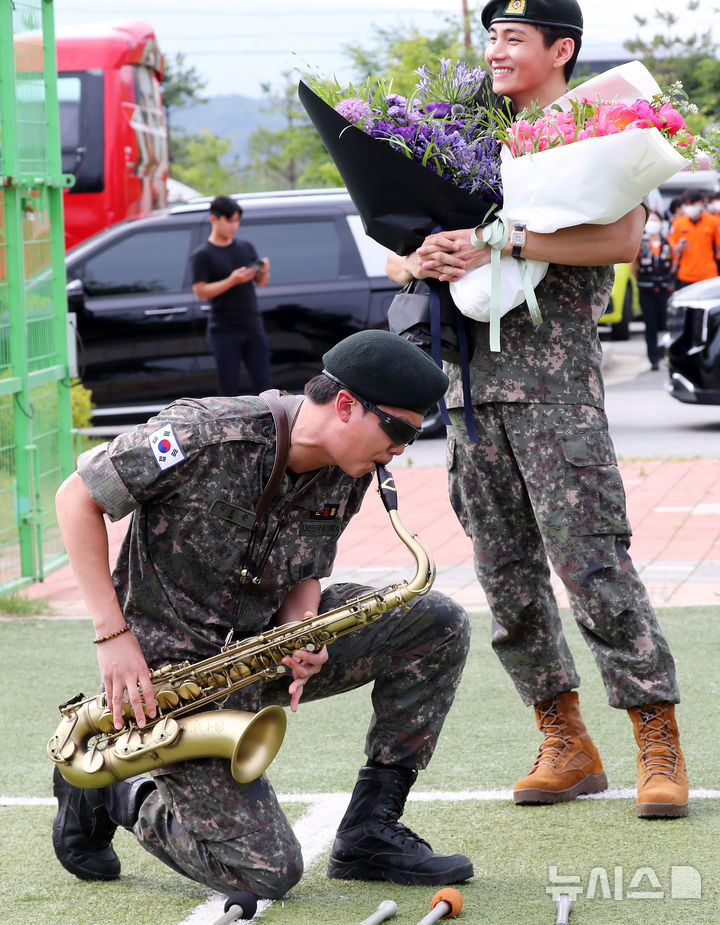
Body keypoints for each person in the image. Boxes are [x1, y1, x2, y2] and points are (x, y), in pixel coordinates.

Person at [387, 0, 688, 819]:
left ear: (562, 49)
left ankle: (655, 737)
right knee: (506, 575)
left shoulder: (598, 128)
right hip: (471, 393)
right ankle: (564, 737)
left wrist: (505, 241)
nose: (496, 50)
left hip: (556, 388)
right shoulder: (461, 130)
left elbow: (623, 240)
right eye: (491, 36)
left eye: (514, 37)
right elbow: (394, 247)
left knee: (592, 563)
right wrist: (422, 252)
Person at [50, 329, 473, 897]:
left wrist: (303, 629)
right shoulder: (204, 434)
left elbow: (307, 567)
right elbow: (77, 497)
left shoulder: (350, 468)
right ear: (346, 405)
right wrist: (113, 635)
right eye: (398, 430)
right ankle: (116, 791)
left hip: (260, 651)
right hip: (171, 677)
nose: (402, 449)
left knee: (438, 621)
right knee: (266, 873)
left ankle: (372, 830)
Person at [190, 194, 273, 396]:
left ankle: (273, 424)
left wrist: (264, 271)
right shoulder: (203, 254)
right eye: (229, 220)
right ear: (214, 219)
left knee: (265, 385)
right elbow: (200, 291)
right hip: (224, 331)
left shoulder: (245, 247)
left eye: (236, 221)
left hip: (252, 326)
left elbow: (261, 283)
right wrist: (232, 280)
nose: (233, 226)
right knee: (228, 390)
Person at [633, 211, 675, 370]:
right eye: (650, 220)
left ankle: (667, 354)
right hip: (646, 290)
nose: (653, 223)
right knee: (650, 325)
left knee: (666, 323)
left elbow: (674, 263)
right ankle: (653, 359)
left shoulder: (667, 242)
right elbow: (633, 267)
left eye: (655, 220)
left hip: (664, 289)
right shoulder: (641, 243)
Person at [668, 189, 720, 288]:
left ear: (700, 203)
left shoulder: (713, 222)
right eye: (687, 205)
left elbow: (718, 248)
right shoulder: (678, 223)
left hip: (708, 275)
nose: (689, 207)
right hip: (686, 275)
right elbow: (672, 246)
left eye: (692, 204)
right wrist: (678, 247)